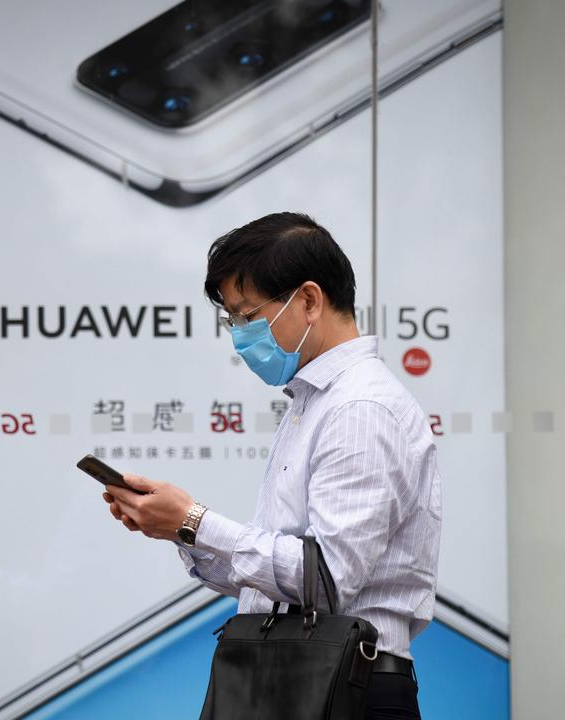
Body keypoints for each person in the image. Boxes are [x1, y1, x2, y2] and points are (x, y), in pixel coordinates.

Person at [103, 212, 441, 720]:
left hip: (345, 688)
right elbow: (279, 580)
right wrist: (179, 529)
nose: (239, 336)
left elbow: (326, 579)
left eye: (247, 316)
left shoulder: (359, 409)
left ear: (308, 300)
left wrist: (195, 521)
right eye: (232, 321)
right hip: (299, 677)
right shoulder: (315, 403)